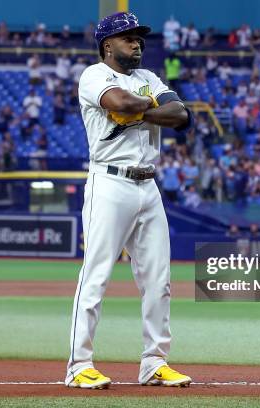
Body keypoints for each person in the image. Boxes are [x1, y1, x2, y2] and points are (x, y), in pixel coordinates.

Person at [66, 12, 192, 390]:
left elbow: (180, 115)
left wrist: (135, 112)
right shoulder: (94, 75)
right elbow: (117, 99)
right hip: (109, 183)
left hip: (148, 186)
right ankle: (79, 365)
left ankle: (155, 362)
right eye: (127, 38)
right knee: (96, 275)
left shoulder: (148, 78)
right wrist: (145, 108)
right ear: (108, 45)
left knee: (159, 280)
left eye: (138, 37)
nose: (137, 43)